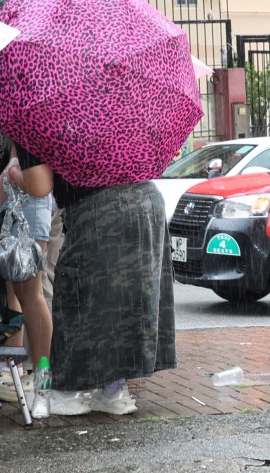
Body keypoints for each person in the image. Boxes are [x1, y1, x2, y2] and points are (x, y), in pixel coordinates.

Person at [14, 143, 177, 416]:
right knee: (126, 301)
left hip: (99, 208)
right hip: (146, 198)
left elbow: (40, 185)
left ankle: (66, 393)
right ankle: (114, 390)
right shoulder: (109, 107)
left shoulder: (34, 120)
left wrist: (16, 176)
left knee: (77, 296)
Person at [0, 142, 55, 418]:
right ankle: (19, 377)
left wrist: (14, 178)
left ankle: (43, 386)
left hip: (30, 211)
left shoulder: (27, 122)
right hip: (15, 210)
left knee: (31, 295)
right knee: (19, 293)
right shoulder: (13, 123)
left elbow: (41, 184)